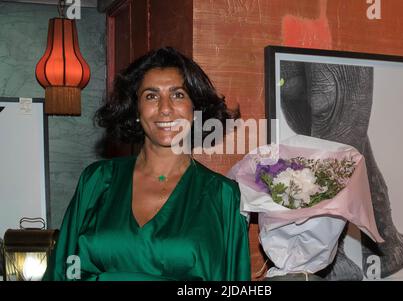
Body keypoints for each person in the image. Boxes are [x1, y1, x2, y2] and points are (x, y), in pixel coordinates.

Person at [43, 47, 251, 281]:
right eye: (151, 96)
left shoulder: (223, 196)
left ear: (195, 110)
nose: (165, 108)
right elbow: (61, 270)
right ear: (135, 110)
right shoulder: (97, 181)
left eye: (178, 95)